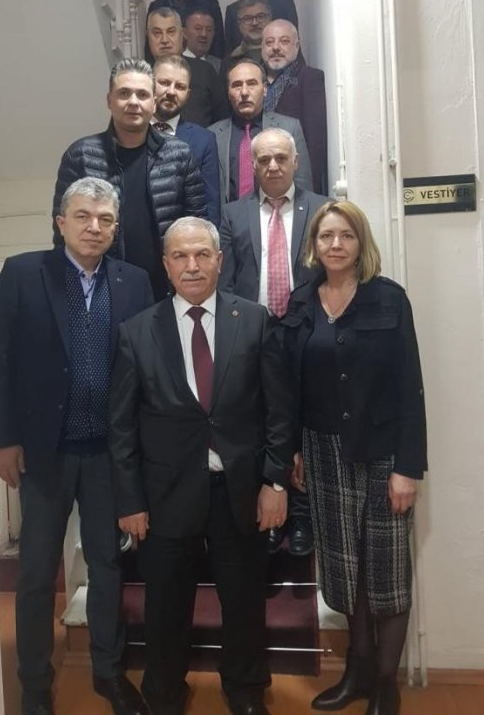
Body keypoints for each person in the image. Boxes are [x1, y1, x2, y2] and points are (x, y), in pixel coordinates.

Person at [108, 217, 294, 715]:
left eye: (202, 254)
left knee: (244, 600)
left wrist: (275, 482)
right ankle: (164, 693)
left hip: (240, 490)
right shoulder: (136, 333)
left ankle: (245, 689)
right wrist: (129, 500)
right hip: (165, 495)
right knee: (166, 606)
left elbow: (279, 411)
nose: (192, 265)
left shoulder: (254, 320)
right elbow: (121, 427)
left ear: (219, 260)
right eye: (180, 256)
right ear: (166, 265)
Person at [0, 178, 154, 715]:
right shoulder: (22, 274)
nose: (93, 227)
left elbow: (146, 367)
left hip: (108, 452)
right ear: (61, 222)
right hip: (44, 451)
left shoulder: (135, 282)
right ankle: (35, 682)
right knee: (37, 573)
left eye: (105, 219)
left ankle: (108, 671)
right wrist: (3, 439)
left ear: (115, 227)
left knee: (107, 565)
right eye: (82, 216)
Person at [278, 201, 427, 715]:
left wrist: (408, 467)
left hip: (383, 454)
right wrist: (294, 447)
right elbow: (292, 385)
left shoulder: (389, 299)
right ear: (313, 245)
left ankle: (386, 685)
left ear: (361, 243)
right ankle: (356, 674)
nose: (335, 244)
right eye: (326, 236)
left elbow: (410, 388)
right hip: (322, 453)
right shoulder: (301, 302)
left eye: (345, 235)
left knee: (387, 572)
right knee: (345, 571)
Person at [219, 128, 329, 556]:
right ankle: (268, 515)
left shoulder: (321, 209)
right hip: (254, 333)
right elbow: (226, 281)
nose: (273, 166)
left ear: (296, 161)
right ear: (252, 165)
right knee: (261, 422)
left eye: (281, 157)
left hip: (306, 331)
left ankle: (300, 515)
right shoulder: (232, 215)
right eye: (263, 159)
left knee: (304, 420)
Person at [52, 58, 207, 300]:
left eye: (142, 95)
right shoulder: (80, 155)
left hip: (165, 291)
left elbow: (197, 226)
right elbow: (62, 234)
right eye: (124, 93)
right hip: (100, 289)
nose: (133, 102)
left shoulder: (180, 154)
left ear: (153, 102)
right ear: (109, 100)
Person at [208, 58, 313, 203]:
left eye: (252, 84)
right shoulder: (212, 135)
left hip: (278, 213)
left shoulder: (289, 128)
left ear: (265, 89)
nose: (244, 92)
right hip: (228, 216)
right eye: (237, 85)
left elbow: (303, 184)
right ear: (228, 92)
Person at [151, 55, 222, 226]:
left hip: (183, 237)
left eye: (180, 87)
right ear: (150, 84)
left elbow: (210, 206)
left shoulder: (204, 140)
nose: (171, 92)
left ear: (188, 95)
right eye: (164, 83)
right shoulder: (132, 131)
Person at [261, 19, 328, 195]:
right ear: (262, 48)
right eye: (269, 42)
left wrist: (309, 191)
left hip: (295, 177)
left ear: (297, 47)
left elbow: (315, 141)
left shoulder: (309, 78)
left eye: (284, 41)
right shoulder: (253, 81)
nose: (276, 48)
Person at [146, 8, 228, 126]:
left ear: (182, 34)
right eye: (157, 33)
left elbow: (223, 122)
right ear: (148, 36)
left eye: (171, 32)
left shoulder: (205, 71)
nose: (164, 40)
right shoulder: (140, 75)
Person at [183, 7, 222, 73]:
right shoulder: (174, 62)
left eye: (209, 30)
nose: (204, 34)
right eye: (198, 28)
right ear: (184, 33)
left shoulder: (219, 66)